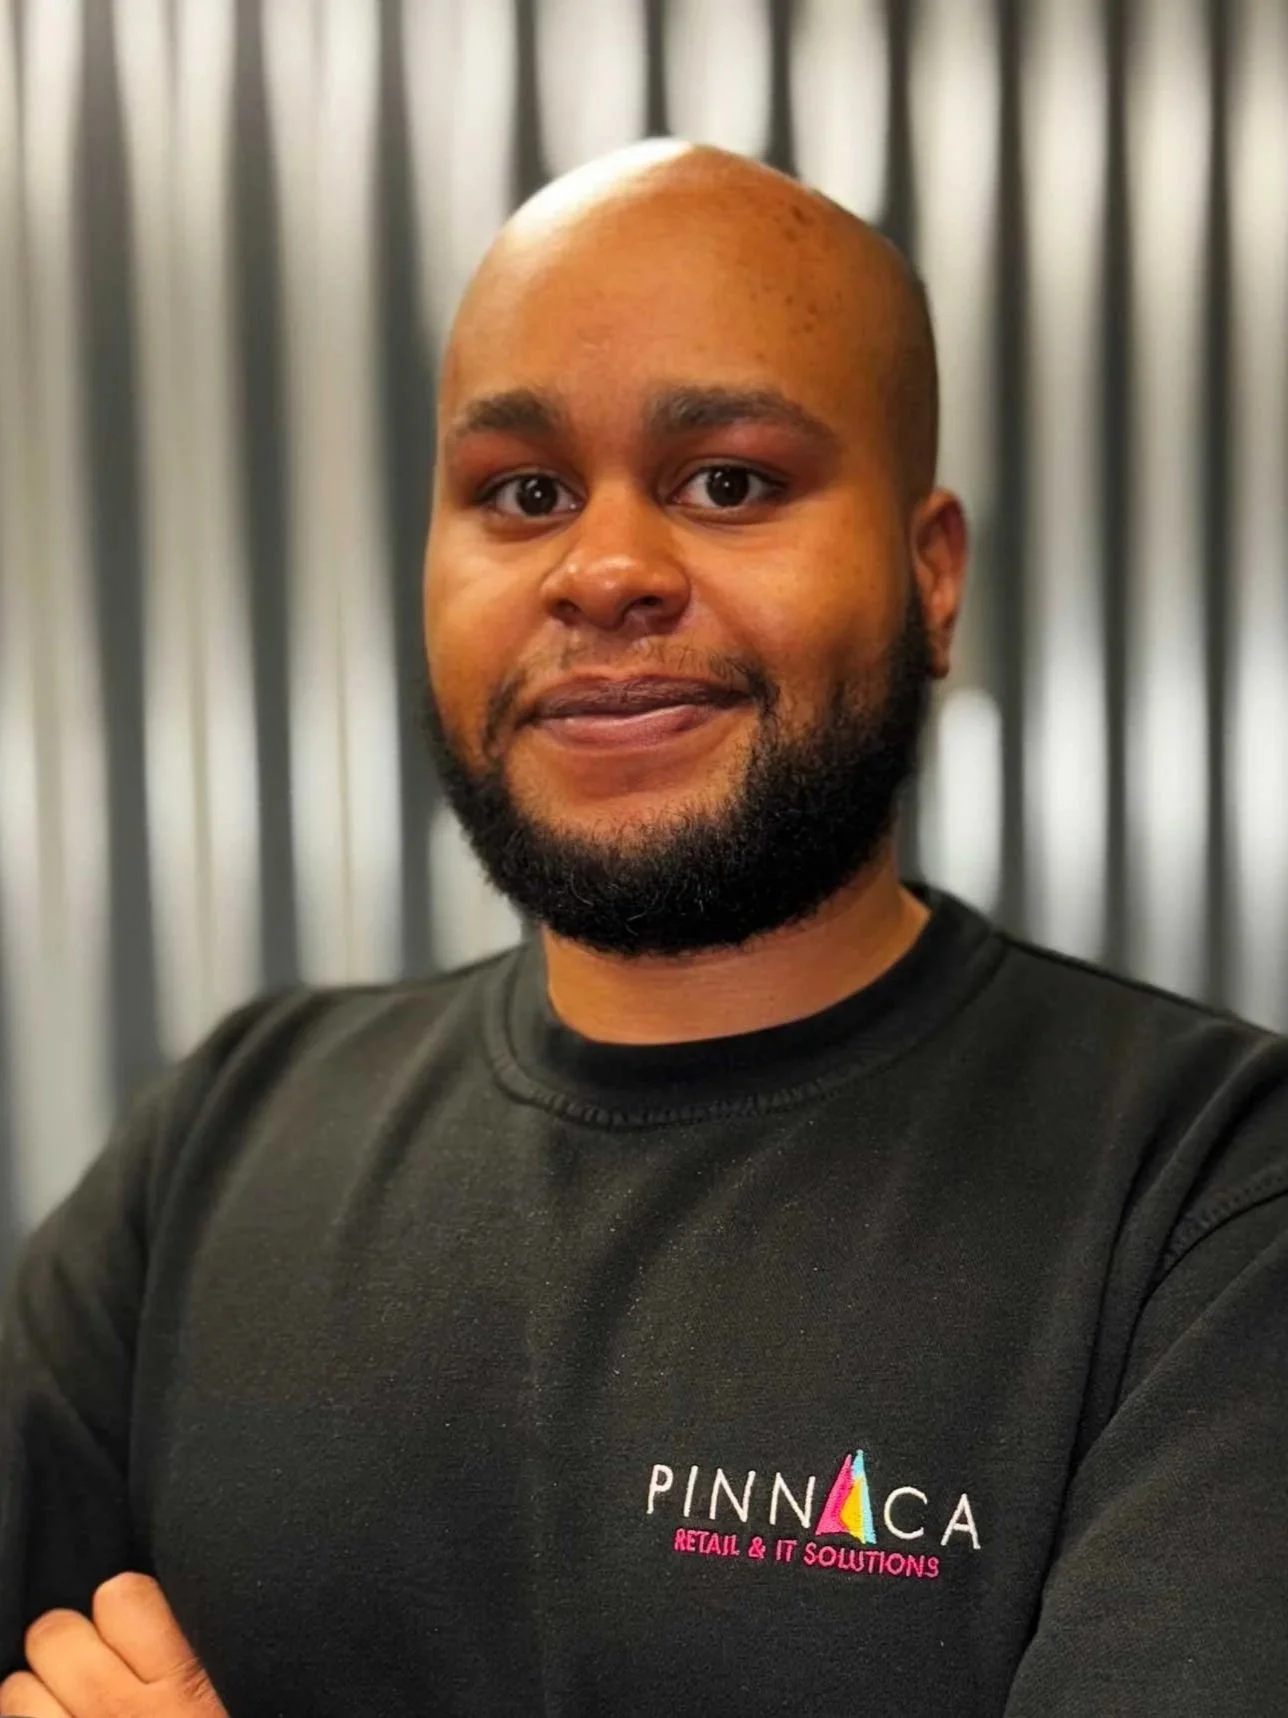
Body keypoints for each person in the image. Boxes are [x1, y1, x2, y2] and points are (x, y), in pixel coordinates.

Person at [2, 138, 1286, 1718]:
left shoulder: (1215, 1194)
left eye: (729, 480)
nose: (604, 572)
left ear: (930, 574)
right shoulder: (223, 1134)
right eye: (523, 492)